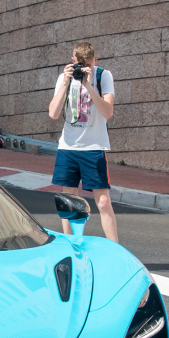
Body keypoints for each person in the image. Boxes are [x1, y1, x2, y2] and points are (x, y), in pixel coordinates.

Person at [46, 40, 118, 242]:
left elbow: (108, 112)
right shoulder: (64, 78)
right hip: (68, 147)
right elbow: (53, 113)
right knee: (69, 202)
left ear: (95, 60)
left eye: (89, 65)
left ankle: (116, 250)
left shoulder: (103, 75)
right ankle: (71, 245)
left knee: (103, 202)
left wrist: (88, 83)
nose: (85, 69)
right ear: (73, 61)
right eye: (81, 65)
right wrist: (67, 82)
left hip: (93, 148)